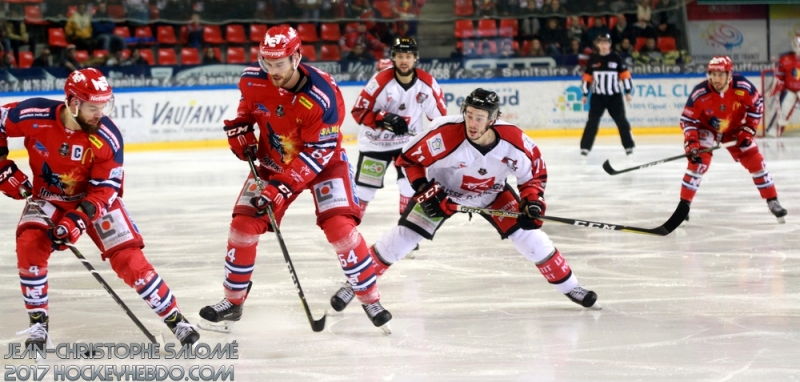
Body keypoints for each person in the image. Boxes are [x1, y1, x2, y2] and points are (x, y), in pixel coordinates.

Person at [329, 88, 599, 312]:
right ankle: (354, 283)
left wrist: (532, 202)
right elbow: (408, 159)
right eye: (469, 115)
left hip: (492, 193)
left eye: (479, 117)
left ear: (493, 119)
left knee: (530, 238)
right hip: (441, 191)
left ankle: (571, 286)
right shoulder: (444, 133)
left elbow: (534, 175)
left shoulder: (515, 142)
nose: (472, 123)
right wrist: (424, 190)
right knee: (402, 239)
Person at [198, 26, 393, 330]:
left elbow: (318, 152)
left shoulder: (323, 95)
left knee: (340, 228)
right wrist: (239, 128)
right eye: (266, 62)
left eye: (278, 64)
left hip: (324, 164)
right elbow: (247, 109)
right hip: (273, 164)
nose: (271, 70)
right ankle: (233, 301)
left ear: (296, 57)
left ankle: (370, 299)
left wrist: (279, 188)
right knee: (243, 227)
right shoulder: (252, 79)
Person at [0, 68, 200, 349]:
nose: (100, 113)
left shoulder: (107, 137)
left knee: (129, 260)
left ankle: (175, 319)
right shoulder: (33, 114)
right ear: (73, 102)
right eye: (94, 107)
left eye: (104, 105)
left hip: (94, 201)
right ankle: (38, 325)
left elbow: (105, 191)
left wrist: (77, 221)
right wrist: (3, 170)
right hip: (47, 197)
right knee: (29, 245)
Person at [679, 56, 788, 223]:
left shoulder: (743, 87)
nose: (716, 79)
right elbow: (688, 120)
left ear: (729, 75)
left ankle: (772, 200)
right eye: (713, 74)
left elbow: (757, 106)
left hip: (734, 130)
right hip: (706, 129)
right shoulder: (700, 92)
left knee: (755, 160)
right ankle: (684, 205)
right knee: (698, 163)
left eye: (720, 74)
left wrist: (748, 130)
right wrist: (692, 143)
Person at [351, 37, 446, 221]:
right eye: (400, 56)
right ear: (393, 58)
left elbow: (440, 121)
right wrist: (383, 118)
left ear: (415, 58)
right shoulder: (379, 81)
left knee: (409, 186)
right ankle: (349, 227)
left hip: (408, 144)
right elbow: (358, 112)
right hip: (375, 143)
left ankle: (406, 230)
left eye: (408, 56)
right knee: (365, 190)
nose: (404, 61)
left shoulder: (427, 84)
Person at [580, 33, 635, 156]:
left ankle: (628, 146)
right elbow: (587, 78)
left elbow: (625, 75)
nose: (604, 45)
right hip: (597, 97)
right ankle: (585, 147)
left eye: (606, 43)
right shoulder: (593, 59)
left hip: (614, 96)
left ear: (609, 44)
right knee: (592, 121)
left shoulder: (616, 58)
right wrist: (585, 94)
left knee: (621, 121)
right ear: (598, 44)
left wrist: (627, 92)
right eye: (601, 43)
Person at [774, 34, 800, 133]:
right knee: (783, 112)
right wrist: (778, 87)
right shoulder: (785, 58)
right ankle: (776, 132)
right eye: (796, 44)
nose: (798, 47)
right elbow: (779, 76)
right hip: (790, 89)